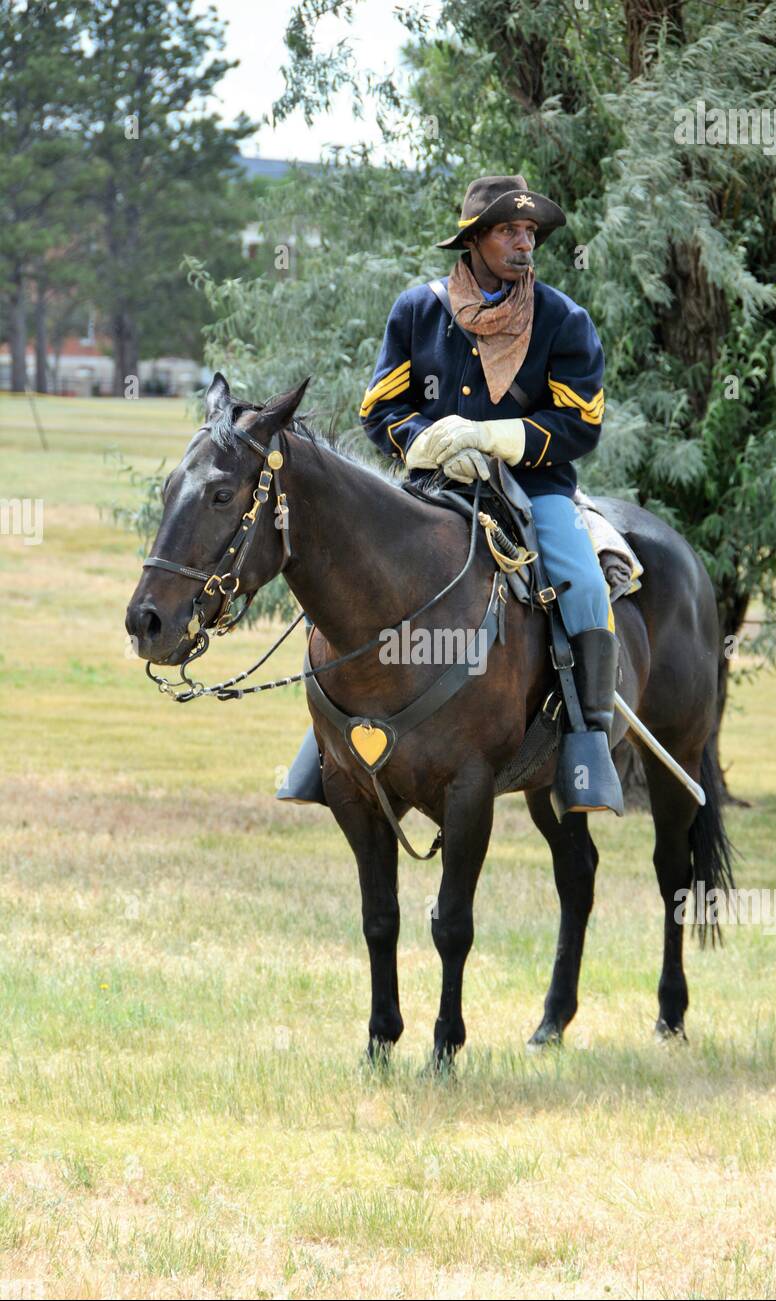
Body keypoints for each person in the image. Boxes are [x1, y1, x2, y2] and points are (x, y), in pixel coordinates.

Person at [280, 173, 622, 818]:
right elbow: (382, 406)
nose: (525, 242)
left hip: (532, 488)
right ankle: (325, 737)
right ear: (474, 240)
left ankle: (588, 740)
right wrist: (425, 441)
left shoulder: (561, 318)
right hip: (431, 484)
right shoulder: (418, 309)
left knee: (583, 583)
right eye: (508, 230)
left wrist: (497, 435)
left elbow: (581, 421)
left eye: (530, 232)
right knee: (355, 578)